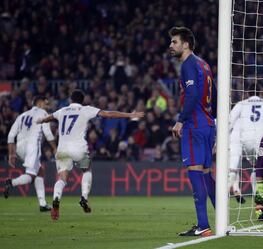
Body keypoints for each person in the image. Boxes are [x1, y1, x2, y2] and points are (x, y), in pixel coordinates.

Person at [37, 89, 144, 220]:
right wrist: (129, 115)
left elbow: (48, 118)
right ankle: (84, 197)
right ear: (83, 100)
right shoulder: (85, 109)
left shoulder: (62, 111)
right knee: (87, 170)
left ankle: (56, 199)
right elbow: (108, 114)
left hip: (62, 149)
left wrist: (40, 120)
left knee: (62, 177)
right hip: (78, 149)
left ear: (71, 99)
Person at [169, 26, 216, 237]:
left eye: (174, 42)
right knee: (206, 175)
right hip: (207, 124)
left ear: (185, 44)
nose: (171, 46)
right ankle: (221, 219)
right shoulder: (204, 64)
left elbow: (191, 94)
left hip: (194, 125)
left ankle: (203, 225)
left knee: (195, 172)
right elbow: (214, 95)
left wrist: (181, 120)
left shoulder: (188, 64)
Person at [5, 95, 57, 212]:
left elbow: (11, 136)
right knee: (31, 176)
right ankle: (11, 182)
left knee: (40, 171)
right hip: (32, 146)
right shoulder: (43, 113)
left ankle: (43, 204)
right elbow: (48, 133)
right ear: (39, 103)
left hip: (19, 147)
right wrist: (55, 148)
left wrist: (11, 154)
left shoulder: (22, 115)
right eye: (45, 103)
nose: (47, 106)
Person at [228, 87, 263, 204]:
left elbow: (229, 122)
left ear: (247, 93)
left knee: (236, 167)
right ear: (260, 92)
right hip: (262, 139)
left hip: (246, 140)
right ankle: (259, 196)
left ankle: (232, 190)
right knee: (260, 169)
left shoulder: (241, 104)